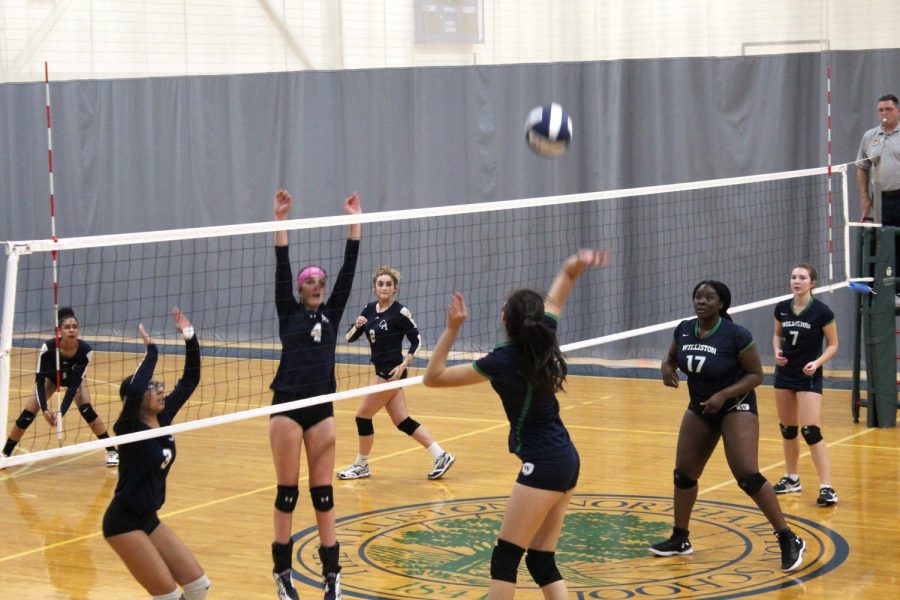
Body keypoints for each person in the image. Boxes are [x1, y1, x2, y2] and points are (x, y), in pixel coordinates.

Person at [424, 250, 608, 600]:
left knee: (505, 559)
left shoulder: (500, 361)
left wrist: (452, 329)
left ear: (504, 318)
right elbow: (564, 281)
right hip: (566, 457)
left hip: (544, 464)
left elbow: (433, 378)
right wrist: (578, 263)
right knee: (540, 561)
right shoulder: (544, 336)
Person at [651, 281, 806, 573]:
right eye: (698, 296)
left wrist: (723, 395)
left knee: (747, 475)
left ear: (721, 304)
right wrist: (666, 366)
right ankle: (680, 538)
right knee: (683, 474)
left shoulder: (735, 334)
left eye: (709, 297)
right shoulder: (684, 329)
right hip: (700, 407)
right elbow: (672, 356)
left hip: (736, 405)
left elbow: (756, 375)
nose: (702, 301)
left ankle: (788, 538)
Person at [269, 188, 361, 600]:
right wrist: (281, 219)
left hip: (321, 408)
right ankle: (282, 575)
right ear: (302, 289)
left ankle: (332, 577)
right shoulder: (287, 311)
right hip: (287, 407)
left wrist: (354, 220)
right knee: (287, 494)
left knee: (323, 495)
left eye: (321, 283)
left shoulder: (334, 311)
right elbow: (281, 267)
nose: (319, 286)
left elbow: (350, 267)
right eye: (312, 283)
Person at [103, 308, 209, 600]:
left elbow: (191, 379)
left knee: (199, 587)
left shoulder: (163, 418)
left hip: (148, 517)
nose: (161, 391)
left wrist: (190, 337)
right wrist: (152, 351)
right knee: (169, 596)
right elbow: (136, 387)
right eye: (154, 388)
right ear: (135, 400)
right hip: (122, 523)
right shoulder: (127, 427)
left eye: (160, 386)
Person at [338, 265, 455, 481]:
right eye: (380, 284)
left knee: (362, 417)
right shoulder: (369, 309)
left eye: (388, 284)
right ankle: (441, 455)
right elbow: (349, 337)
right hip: (382, 371)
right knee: (402, 420)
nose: (384, 287)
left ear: (395, 289)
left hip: (390, 373)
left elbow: (417, 340)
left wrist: (403, 365)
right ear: (374, 288)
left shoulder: (400, 312)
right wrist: (357, 325)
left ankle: (361, 465)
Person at [1, 307, 118, 467]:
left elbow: (73, 387)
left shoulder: (85, 351)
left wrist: (60, 413)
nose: (72, 330)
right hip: (51, 378)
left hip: (74, 380)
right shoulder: (48, 348)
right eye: (67, 327)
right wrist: (45, 409)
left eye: (75, 327)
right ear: (59, 331)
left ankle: (112, 451)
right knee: (28, 413)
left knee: (86, 410)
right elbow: (40, 380)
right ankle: (5, 454)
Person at [772, 263, 839, 506]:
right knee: (788, 429)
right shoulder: (781, 308)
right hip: (784, 374)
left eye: (802, 277)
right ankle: (792, 478)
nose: (796, 281)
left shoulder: (822, 311)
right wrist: (777, 351)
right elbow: (777, 335)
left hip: (808, 375)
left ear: (812, 283)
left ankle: (827, 487)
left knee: (811, 430)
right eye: (793, 277)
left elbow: (833, 344)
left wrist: (817, 362)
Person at [856, 93, 900, 299]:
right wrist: (865, 198)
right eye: (881, 110)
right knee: (880, 242)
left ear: (898, 111)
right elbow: (862, 168)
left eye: (888, 110)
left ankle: (898, 290)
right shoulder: (870, 137)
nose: (884, 114)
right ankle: (879, 291)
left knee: (898, 242)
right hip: (881, 199)